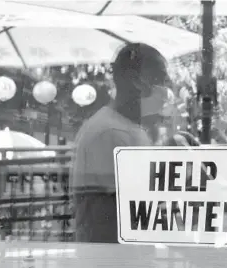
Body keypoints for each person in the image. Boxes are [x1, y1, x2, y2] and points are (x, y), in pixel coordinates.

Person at [70, 43, 172, 243]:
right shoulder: (111, 133)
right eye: (160, 79)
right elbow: (127, 212)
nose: (166, 89)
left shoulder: (128, 129)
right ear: (137, 81)